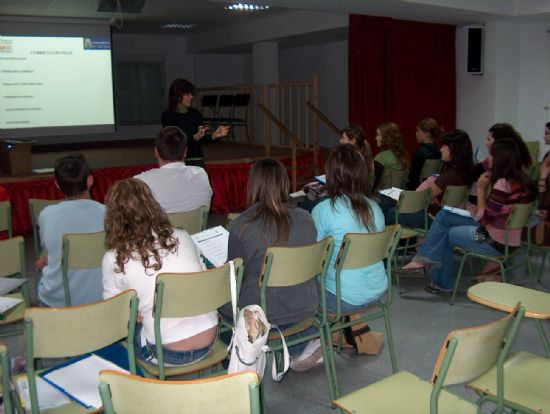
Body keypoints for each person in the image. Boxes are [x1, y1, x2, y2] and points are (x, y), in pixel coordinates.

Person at [395, 138, 537, 295]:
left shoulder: (502, 184)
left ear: (500, 158)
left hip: (492, 240)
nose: (488, 158)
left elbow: (485, 220)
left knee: (446, 233)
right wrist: (481, 208)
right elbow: (500, 213)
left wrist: (482, 191)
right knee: (444, 214)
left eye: (491, 155)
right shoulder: (522, 181)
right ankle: (422, 264)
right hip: (510, 239)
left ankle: (439, 281)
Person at [102, 178, 217, 366]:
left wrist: (134, 310)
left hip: (166, 353)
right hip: (210, 339)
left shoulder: (114, 258)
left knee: (123, 328)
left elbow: (115, 315)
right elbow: (202, 280)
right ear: (152, 206)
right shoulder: (183, 236)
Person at [221, 158, 320, 371]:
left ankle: (234, 350)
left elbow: (233, 280)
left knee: (216, 299)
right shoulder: (306, 218)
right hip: (303, 309)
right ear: (285, 184)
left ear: (253, 185)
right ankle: (299, 346)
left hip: (263, 315)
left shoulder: (242, 226)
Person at [312, 145, 386, 353]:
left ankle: (305, 345)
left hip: (341, 299)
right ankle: (346, 331)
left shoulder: (323, 211)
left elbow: (312, 260)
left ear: (331, 176)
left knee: (298, 279)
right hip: (376, 290)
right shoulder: (376, 209)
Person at [36, 154, 104, 307]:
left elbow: (48, 250)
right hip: (106, 297)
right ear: (90, 180)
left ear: (57, 185)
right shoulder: (111, 214)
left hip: (59, 302)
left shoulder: (47, 214)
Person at [380, 129, 476, 227]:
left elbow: (419, 200)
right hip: (446, 214)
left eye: (444, 146)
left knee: (387, 210)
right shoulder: (466, 172)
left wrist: (428, 196)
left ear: (454, 150)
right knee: (388, 201)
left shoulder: (447, 177)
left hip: (432, 218)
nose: (441, 149)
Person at [134, 126, 212, 213]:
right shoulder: (201, 174)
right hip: (195, 226)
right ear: (185, 151)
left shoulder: (140, 182)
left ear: (156, 152)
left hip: (159, 226)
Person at [161, 79, 230, 167]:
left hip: (197, 159)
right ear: (177, 96)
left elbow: (200, 140)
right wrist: (194, 137)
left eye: (191, 94)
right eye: (187, 94)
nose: (191, 97)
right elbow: (174, 141)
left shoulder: (195, 113)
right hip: (178, 161)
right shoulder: (168, 116)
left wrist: (214, 135)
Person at [406, 118, 442, 190]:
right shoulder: (439, 152)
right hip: (431, 189)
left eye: (418, 131)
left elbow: (412, 177)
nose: (416, 134)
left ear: (426, 133)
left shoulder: (419, 152)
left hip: (416, 191)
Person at [373, 122, 411, 190]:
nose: (376, 138)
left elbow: (373, 184)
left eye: (378, 135)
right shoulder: (403, 156)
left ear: (387, 138)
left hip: (381, 198)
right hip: (400, 197)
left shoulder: (381, 158)